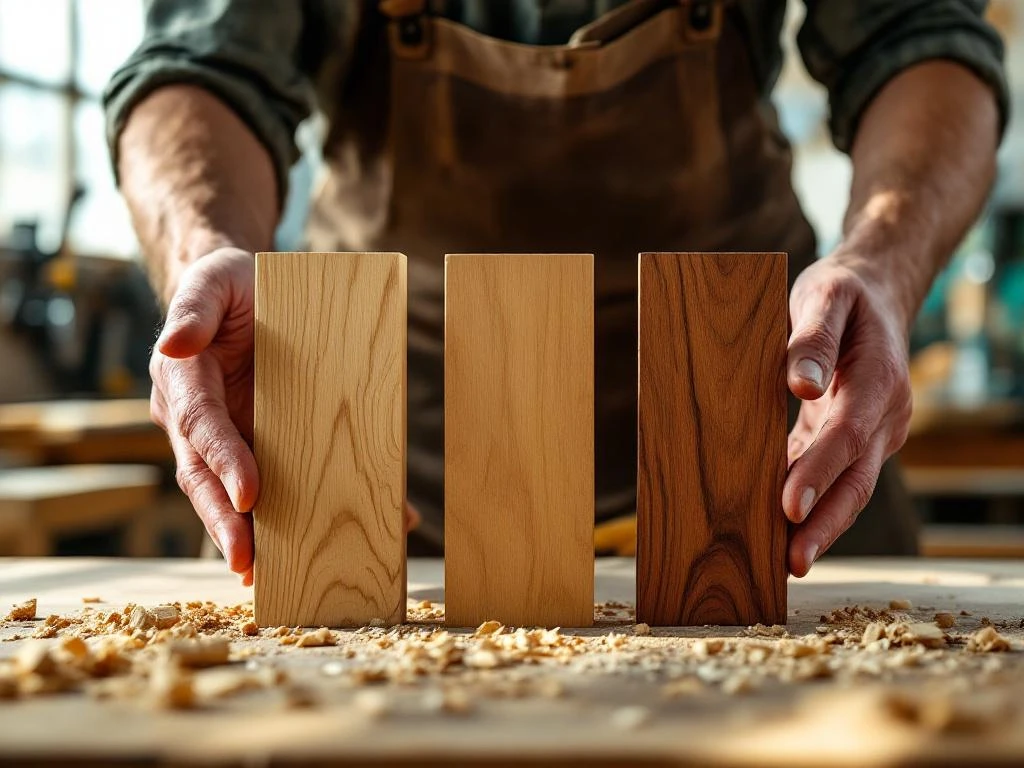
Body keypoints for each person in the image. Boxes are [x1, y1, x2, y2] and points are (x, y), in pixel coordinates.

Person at [105, 0, 1008, 586]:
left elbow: (914, 35)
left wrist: (883, 270)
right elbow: (202, 66)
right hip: (381, 464)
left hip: (758, 461)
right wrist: (205, 249)